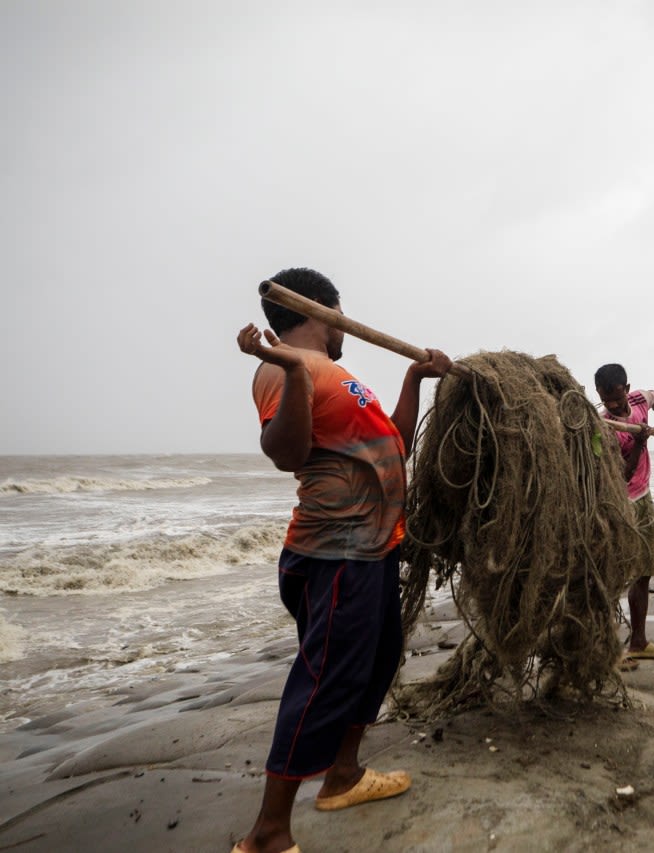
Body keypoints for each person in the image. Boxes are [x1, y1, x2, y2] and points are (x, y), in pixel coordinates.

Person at [232, 267, 452, 853]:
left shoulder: (341, 376)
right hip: (334, 552)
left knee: (375, 662)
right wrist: (291, 372)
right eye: (339, 313)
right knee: (325, 679)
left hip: (374, 548)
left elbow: (393, 443)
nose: (344, 325)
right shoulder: (279, 369)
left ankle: (344, 776)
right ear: (322, 313)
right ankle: (267, 835)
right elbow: (285, 452)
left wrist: (414, 377)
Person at [594, 363, 654, 667]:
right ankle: (606, 650)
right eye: (606, 400)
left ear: (626, 390)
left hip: (644, 498)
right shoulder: (604, 428)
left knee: (643, 571)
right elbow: (621, 476)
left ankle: (638, 642)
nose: (613, 406)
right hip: (618, 504)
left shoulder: (640, 400)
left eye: (616, 398)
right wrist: (640, 443)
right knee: (614, 575)